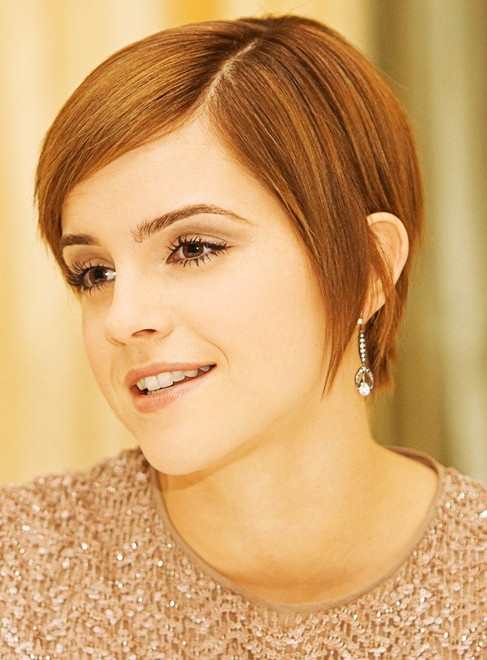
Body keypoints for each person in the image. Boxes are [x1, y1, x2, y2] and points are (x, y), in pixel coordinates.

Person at [1, 14, 485, 658]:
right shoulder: (18, 569)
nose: (120, 318)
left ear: (369, 269)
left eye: (194, 248)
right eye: (95, 273)